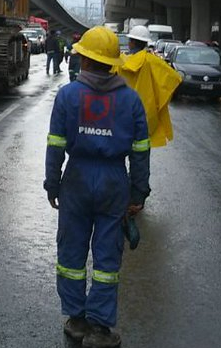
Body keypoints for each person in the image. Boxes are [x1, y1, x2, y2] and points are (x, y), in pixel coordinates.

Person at [45, 26, 149, 348]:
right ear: (113, 63)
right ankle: (99, 329)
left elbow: (55, 145)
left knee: (71, 251)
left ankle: (76, 319)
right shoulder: (131, 100)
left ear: (87, 61)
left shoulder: (68, 96)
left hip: (76, 180)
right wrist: (138, 193)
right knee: (107, 258)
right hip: (113, 181)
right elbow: (141, 151)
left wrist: (52, 183)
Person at [119, 25, 181, 148]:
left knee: (118, 160)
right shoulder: (153, 62)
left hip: (122, 114)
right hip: (145, 116)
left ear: (131, 42)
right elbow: (174, 78)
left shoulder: (121, 61)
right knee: (140, 156)